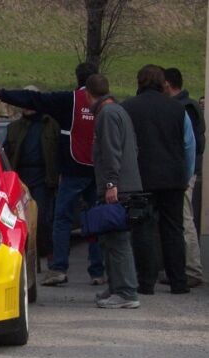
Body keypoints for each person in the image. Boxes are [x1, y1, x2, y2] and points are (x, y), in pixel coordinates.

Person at [0, 62, 105, 286]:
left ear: (77, 79)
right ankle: (98, 271)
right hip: (99, 169)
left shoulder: (69, 100)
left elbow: (34, 99)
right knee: (96, 220)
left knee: (62, 219)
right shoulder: (108, 104)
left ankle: (58, 268)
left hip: (73, 169)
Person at [121, 64, 195, 295]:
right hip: (173, 178)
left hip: (141, 179)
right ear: (163, 83)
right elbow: (188, 145)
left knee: (143, 229)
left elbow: (123, 146)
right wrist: (186, 173)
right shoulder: (178, 109)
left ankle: (146, 282)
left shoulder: (128, 108)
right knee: (173, 229)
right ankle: (179, 282)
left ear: (139, 81)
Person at [85, 74, 143, 308]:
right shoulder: (119, 111)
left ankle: (127, 292)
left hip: (118, 188)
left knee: (118, 241)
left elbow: (110, 151)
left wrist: (111, 184)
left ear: (88, 94)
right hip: (126, 183)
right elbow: (133, 148)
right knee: (110, 238)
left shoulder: (107, 115)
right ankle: (117, 287)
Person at [3, 85, 59, 265]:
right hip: (20, 178)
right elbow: (5, 153)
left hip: (44, 178)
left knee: (42, 219)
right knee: (18, 220)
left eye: (30, 100)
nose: (26, 105)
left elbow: (60, 151)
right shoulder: (14, 127)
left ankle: (49, 254)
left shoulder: (52, 124)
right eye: (23, 101)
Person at [163, 67, 204, 287]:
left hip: (184, 172)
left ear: (167, 84)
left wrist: (185, 173)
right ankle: (185, 269)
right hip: (186, 170)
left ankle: (192, 270)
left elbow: (188, 144)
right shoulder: (190, 106)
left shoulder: (183, 108)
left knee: (185, 220)